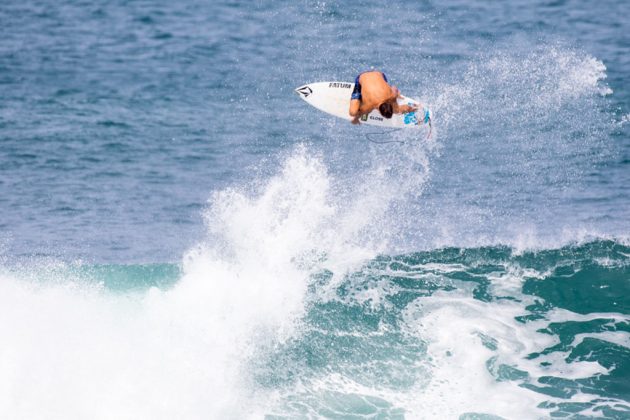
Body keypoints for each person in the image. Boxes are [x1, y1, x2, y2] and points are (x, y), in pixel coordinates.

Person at [348, 71, 418, 124]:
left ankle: (415, 108)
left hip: (379, 74)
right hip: (361, 77)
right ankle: (416, 107)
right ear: (379, 112)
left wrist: (396, 95)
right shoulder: (368, 107)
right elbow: (359, 114)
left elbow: (394, 88)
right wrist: (356, 119)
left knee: (396, 110)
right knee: (353, 112)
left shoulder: (391, 96)